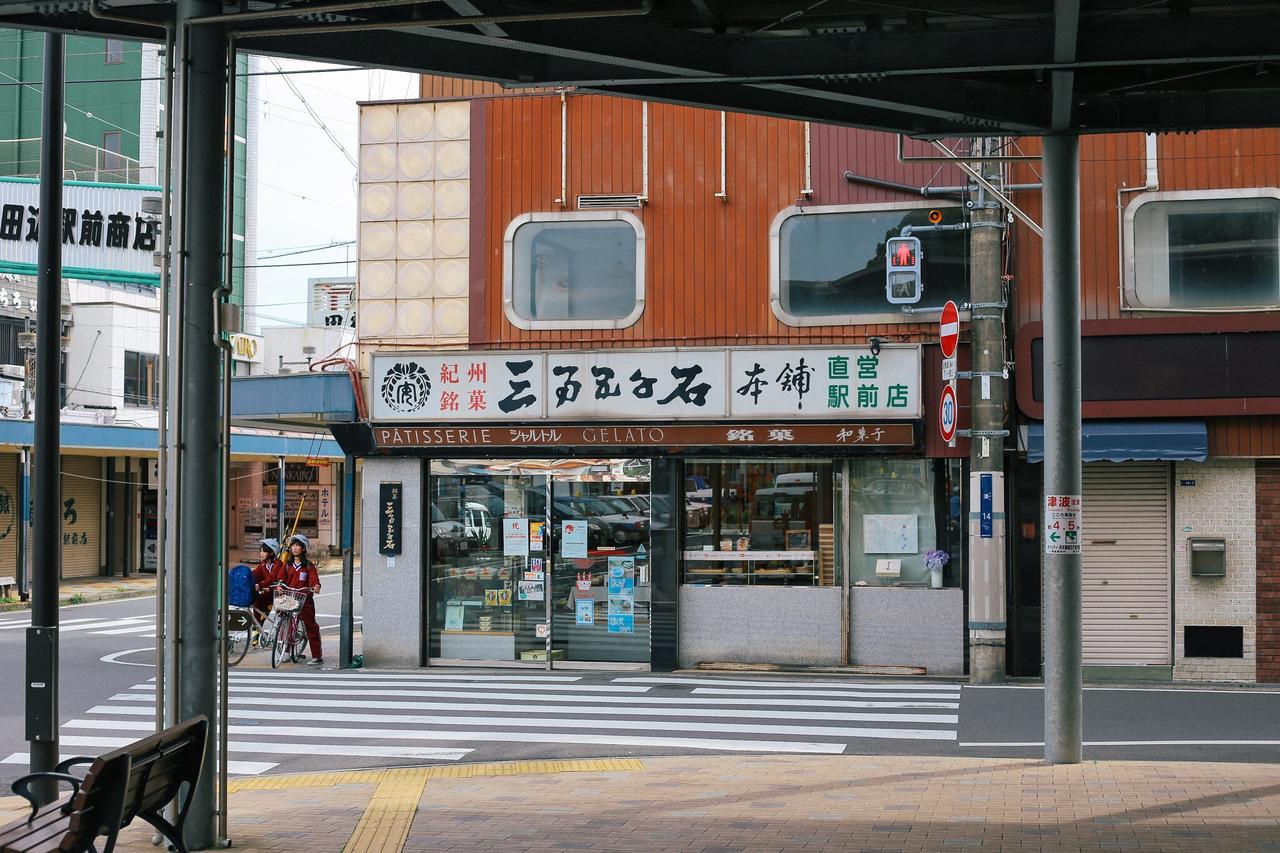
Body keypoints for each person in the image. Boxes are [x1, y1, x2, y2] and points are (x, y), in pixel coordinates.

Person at [281, 534, 323, 666]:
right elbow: (281, 579)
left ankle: (317, 655)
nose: (295, 548)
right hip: (290, 598)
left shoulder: (309, 566)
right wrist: (279, 586)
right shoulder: (287, 565)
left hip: (305, 600)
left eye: (298, 545)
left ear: (303, 549)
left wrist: (315, 586)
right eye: (293, 545)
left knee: (311, 626)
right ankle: (286, 651)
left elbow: (314, 579)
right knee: (286, 624)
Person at [252, 539, 283, 641]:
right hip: (268, 593)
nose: (261, 554)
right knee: (256, 603)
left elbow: (272, 578)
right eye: (260, 551)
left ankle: (282, 633)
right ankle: (256, 628)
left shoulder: (278, 564)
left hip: (278, 594)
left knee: (281, 613)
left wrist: (260, 585)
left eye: (264, 552)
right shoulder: (262, 565)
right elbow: (255, 574)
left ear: (271, 553)